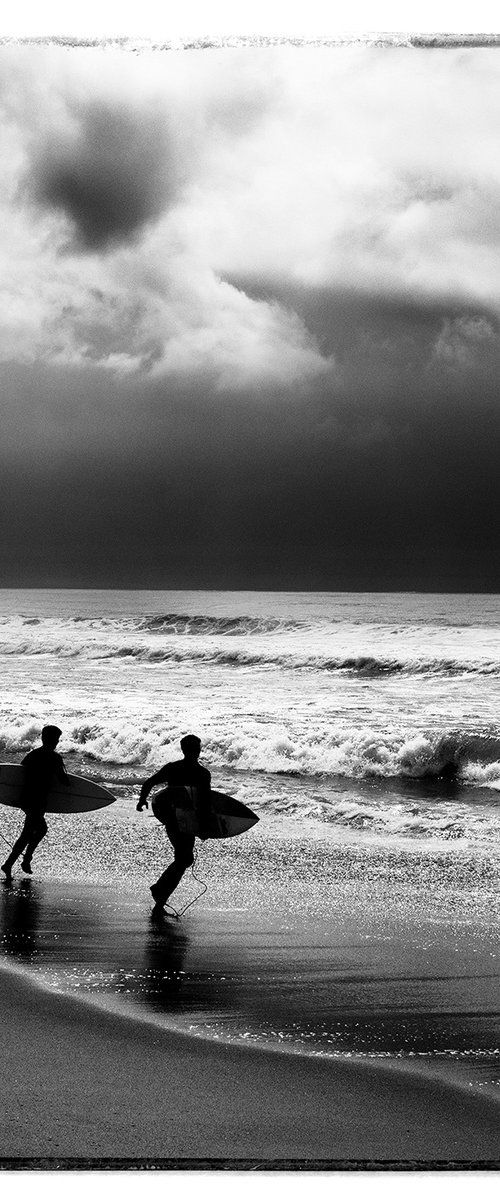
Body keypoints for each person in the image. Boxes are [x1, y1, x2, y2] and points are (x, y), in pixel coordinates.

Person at [137, 734, 211, 912]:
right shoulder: (202, 774)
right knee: (184, 858)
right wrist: (204, 827)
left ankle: (160, 897)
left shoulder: (174, 768)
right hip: (184, 820)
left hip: (174, 818)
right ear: (196, 750)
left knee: (184, 858)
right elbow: (204, 804)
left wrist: (142, 800)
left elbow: (149, 782)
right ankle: (159, 892)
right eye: (196, 748)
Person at [1, 725, 69, 881]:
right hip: (38, 800)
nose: (57, 742)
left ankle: (16, 862)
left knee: (33, 831)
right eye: (56, 739)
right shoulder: (55, 758)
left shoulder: (33, 755)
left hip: (26, 798)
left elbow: (18, 775)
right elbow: (63, 780)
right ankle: (16, 862)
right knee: (34, 832)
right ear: (52, 740)